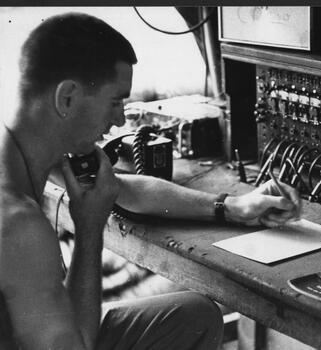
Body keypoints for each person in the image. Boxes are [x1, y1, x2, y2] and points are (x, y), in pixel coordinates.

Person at [0, 12, 301, 350]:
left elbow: (125, 189)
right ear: (66, 97)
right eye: (115, 101)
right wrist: (89, 231)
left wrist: (233, 206)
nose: (119, 120)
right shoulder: (18, 224)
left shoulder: (24, 144)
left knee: (194, 316)